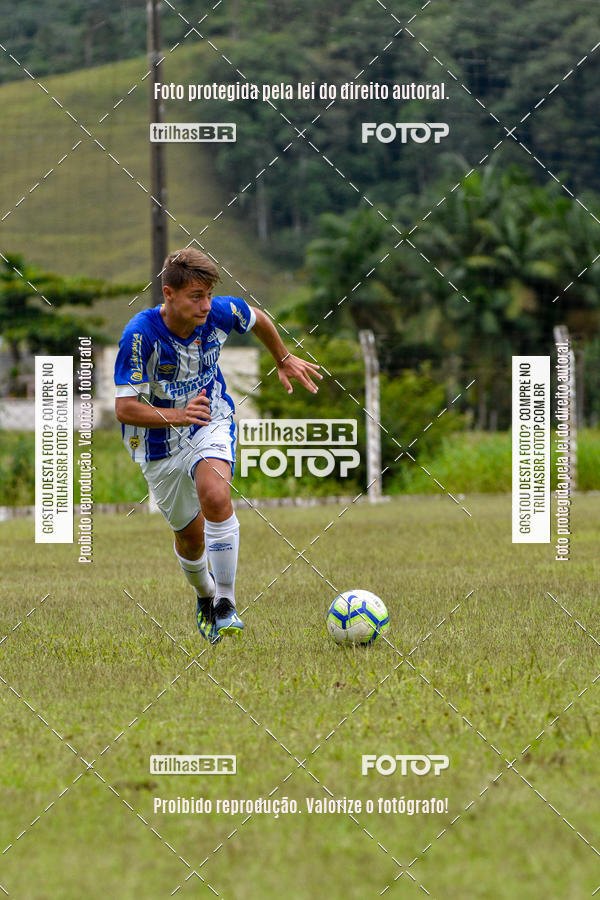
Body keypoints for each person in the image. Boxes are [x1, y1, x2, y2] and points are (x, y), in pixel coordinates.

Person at [114, 248, 321, 643]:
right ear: (168, 293)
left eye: (209, 295)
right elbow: (125, 408)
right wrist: (177, 415)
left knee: (215, 493)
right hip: (156, 444)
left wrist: (282, 357)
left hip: (210, 420)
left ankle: (226, 601)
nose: (206, 305)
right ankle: (206, 595)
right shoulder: (138, 335)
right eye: (196, 296)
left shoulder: (219, 312)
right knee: (190, 541)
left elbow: (257, 317)